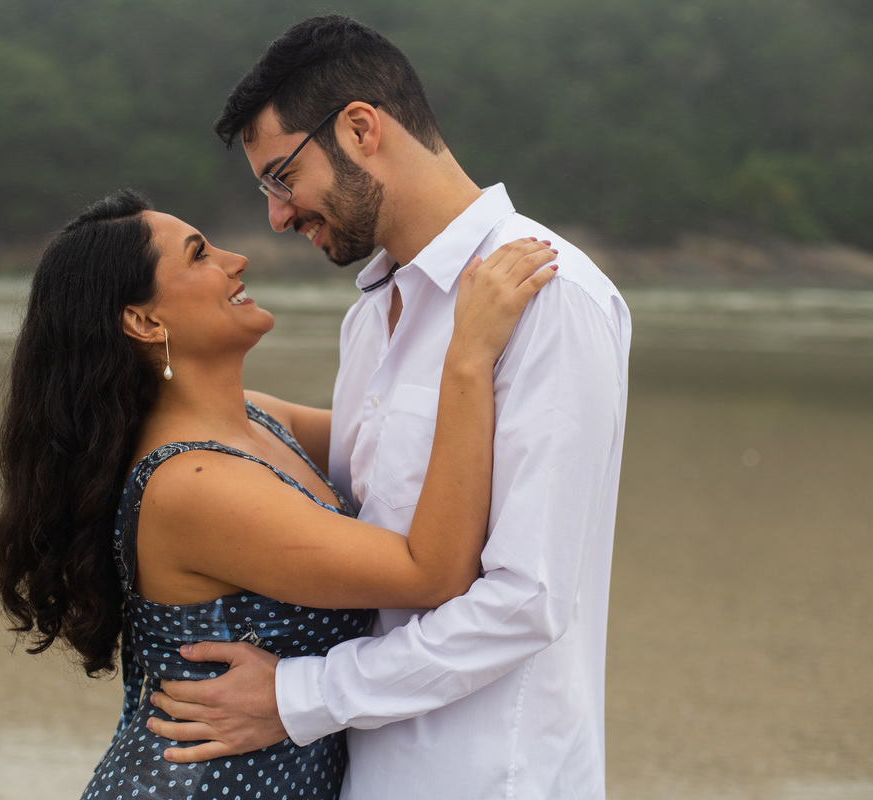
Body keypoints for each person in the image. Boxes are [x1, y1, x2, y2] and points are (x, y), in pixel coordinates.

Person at [145, 15, 632, 800]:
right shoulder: (370, 317)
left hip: (490, 777)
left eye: (282, 177)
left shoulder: (550, 297)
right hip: (363, 773)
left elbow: (527, 601)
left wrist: (297, 696)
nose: (277, 216)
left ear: (361, 129)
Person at [0, 189, 558, 799]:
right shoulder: (193, 484)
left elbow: (407, 446)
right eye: (200, 254)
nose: (237, 260)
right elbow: (432, 572)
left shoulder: (257, 419)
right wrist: (467, 355)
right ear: (145, 322)